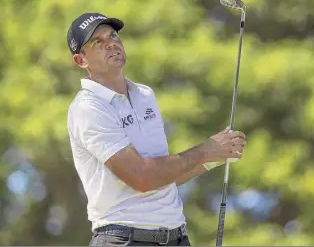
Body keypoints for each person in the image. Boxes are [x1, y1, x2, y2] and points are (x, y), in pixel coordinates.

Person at [66, 12, 247, 246]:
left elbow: (164, 175)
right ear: (82, 61)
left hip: (177, 237)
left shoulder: (144, 95)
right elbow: (142, 177)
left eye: (113, 35)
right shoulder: (88, 108)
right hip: (123, 239)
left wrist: (216, 156)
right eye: (97, 42)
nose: (111, 43)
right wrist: (205, 150)